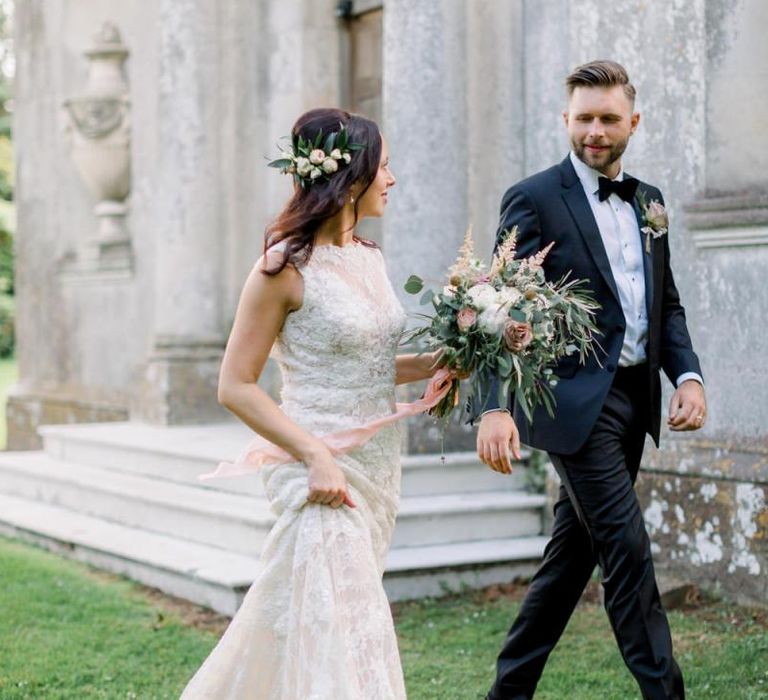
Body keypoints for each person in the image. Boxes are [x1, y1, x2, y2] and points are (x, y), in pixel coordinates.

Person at [180, 107, 439, 699]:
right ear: (350, 179)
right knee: (348, 625)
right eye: (385, 167)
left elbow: (365, 365)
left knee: (312, 622)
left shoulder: (370, 257)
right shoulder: (282, 269)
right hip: (317, 472)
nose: (393, 180)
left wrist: (443, 363)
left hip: (376, 467)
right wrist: (313, 455)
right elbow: (235, 384)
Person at [474, 60, 706, 700]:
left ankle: (508, 691)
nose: (595, 131)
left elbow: (667, 304)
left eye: (608, 118)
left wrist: (687, 376)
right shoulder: (535, 197)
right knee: (628, 552)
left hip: (637, 401)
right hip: (575, 407)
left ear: (634, 120)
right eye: (583, 119)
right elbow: (500, 305)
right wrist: (495, 408)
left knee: (571, 559)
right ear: (565, 120)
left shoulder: (651, 201)